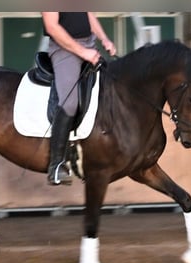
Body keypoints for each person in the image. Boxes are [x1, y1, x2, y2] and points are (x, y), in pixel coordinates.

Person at [42, 12, 117, 185]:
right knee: (70, 103)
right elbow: (52, 27)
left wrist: (104, 38)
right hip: (64, 49)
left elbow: (88, 14)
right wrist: (83, 52)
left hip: (89, 44)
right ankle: (56, 165)